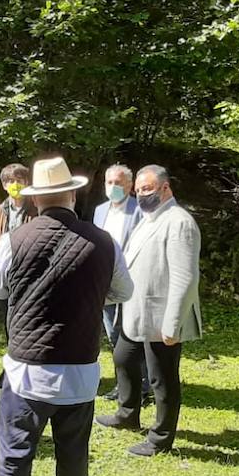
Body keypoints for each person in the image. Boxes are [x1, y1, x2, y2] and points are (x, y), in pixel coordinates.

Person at [0, 156, 133, 476]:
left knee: (15, 449)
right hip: (79, 371)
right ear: (73, 193)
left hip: (27, 370)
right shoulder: (103, 241)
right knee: (74, 453)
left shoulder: (17, 239)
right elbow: (124, 292)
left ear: (36, 200)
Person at [95, 165, 202, 457]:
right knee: (123, 357)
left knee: (161, 378)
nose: (142, 194)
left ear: (166, 188)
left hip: (160, 317)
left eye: (148, 189)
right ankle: (127, 413)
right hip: (135, 312)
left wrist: (173, 324)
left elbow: (185, 277)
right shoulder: (149, 218)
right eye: (139, 189)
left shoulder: (179, 222)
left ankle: (160, 438)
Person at [91, 164, 147, 402]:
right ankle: (123, 384)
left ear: (129, 186)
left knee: (133, 335)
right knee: (113, 334)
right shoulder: (100, 210)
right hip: (105, 282)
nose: (113, 187)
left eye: (119, 183)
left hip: (131, 283)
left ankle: (142, 384)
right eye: (109, 182)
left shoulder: (140, 211)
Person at [0, 163, 36, 246]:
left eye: (19, 181)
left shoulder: (35, 208)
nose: (15, 185)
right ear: (4, 185)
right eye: (11, 181)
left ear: (26, 183)